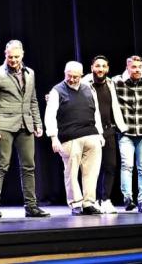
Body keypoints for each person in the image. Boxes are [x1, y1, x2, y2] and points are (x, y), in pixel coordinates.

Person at [0, 40, 50, 219]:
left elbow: (33, 100)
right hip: (3, 125)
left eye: (16, 57)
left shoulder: (30, 73)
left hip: (25, 124)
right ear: (5, 54)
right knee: (2, 164)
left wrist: (38, 124)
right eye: (10, 56)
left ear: (22, 55)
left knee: (29, 166)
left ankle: (31, 206)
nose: (13, 60)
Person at [45, 61, 104, 216]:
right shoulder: (57, 91)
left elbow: (96, 112)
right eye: (69, 76)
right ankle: (75, 203)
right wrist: (53, 137)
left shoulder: (88, 89)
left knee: (91, 172)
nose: (71, 79)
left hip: (91, 135)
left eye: (75, 77)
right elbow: (50, 115)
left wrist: (100, 134)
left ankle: (88, 203)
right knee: (71, 173)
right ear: (65, 73)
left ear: (82, 75)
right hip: (69, 138)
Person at [81, 56, 127, 214]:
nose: (100, 69)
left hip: (108, 130)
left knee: (110, 166)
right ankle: (90, 201)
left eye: (103, 66)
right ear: (92, 67)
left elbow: (132, 75)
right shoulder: (84, 83)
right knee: (92, 168)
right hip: (92, 131)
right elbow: (67, 86)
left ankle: (105, 199)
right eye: (97, 66)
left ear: (107, 69)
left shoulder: (111, 83)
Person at [112, 55, 142, 213]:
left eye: (139, 67)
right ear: (127, 67)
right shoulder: (117, 81)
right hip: (126, 132)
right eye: (134, 67)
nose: (137, 70)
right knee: (127, 166)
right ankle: (128, 198)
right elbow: (96, 83)